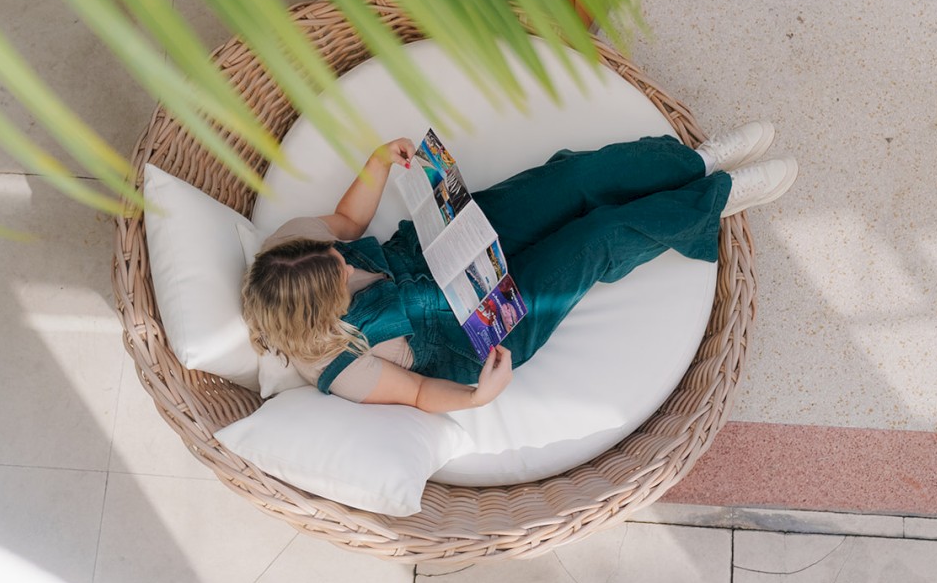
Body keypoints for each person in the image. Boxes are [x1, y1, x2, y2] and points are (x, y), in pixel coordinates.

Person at [241, 124, 797, 414]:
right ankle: (716, 198)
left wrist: (380, 162)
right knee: (594, 238)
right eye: (336, 272)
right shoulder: (340, 369)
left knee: (569, 181)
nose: (341, 257)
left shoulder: (288, 247)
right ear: (325, 312)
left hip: (446, 245)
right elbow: (414, 394)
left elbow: (342, 219)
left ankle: (696, 162)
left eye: (331, 254)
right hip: (486, 327)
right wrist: (478, 398)